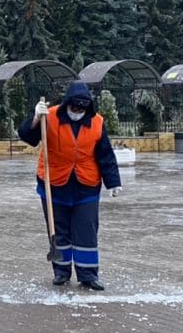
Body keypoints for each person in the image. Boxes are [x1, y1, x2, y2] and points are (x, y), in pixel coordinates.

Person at [18, 81, 121, 291]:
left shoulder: (97, 122)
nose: (77, 112)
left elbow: (105, 154)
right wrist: (35, 118)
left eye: (81, 109)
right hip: (54, 183)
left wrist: (113, 182)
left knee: (86, 231)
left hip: (86, 185)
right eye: (74, 108)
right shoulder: (50, 116)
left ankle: (88, 275)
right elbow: (27, 137)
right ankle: (61, 272)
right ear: (67, 104)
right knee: (59, 230)